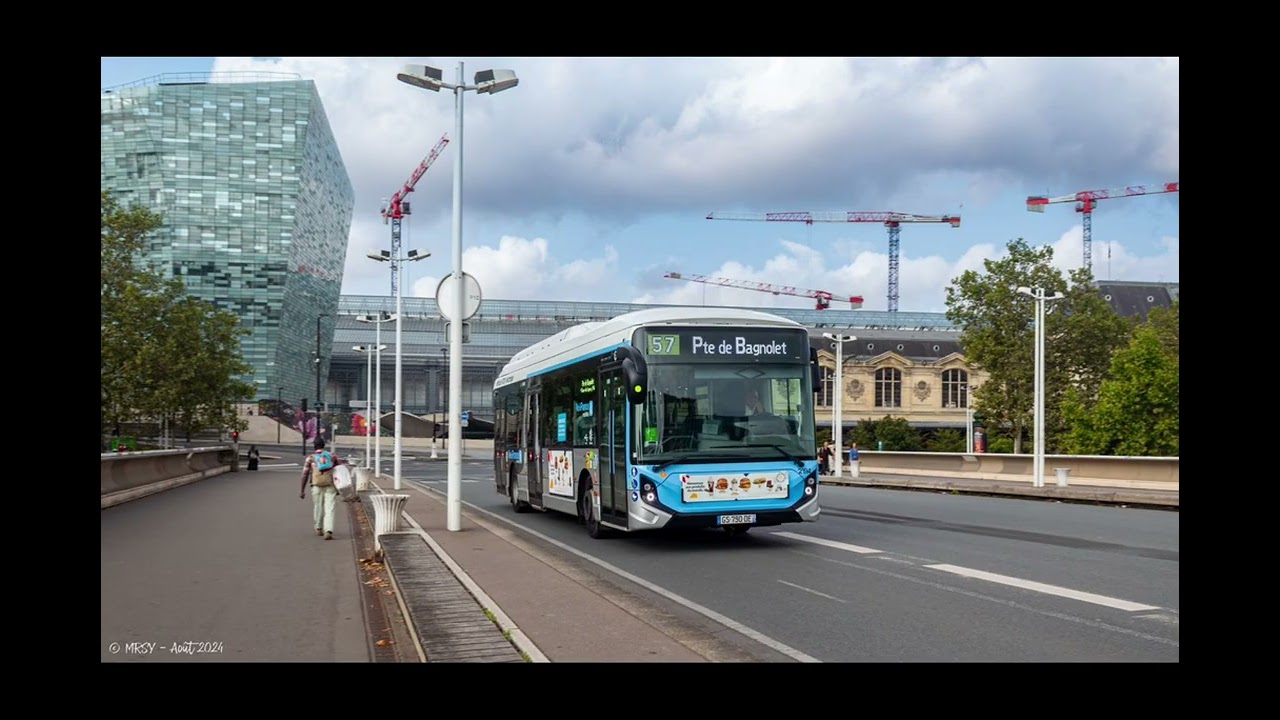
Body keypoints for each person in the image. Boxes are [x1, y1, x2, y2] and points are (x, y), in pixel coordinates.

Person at [299, 437, 346, 540]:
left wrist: (302, 490)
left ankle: (318, 528)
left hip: (316, 485)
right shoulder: (332, 456)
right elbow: (341, 468)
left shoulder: (311, 458)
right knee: (330, 508)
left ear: (314, 446)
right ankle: (328, 530)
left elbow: (305, 474)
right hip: (330, 485)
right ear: (324, 445)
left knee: (318, 506)